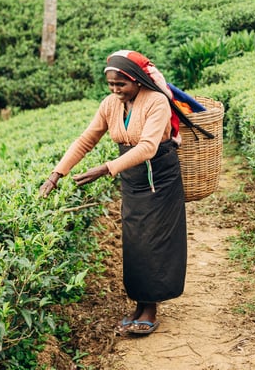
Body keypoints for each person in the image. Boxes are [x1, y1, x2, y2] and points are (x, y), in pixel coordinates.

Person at [40, 50, 199, 336]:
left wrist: (105, 168)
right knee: (135, 241)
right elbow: (87, 139)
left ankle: (150, 308)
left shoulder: (157, 102)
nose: (116, 90)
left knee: (155, 241)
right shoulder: (110, 104)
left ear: (137, 80)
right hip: (132, 178)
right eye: (111, 85)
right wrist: (57, 174)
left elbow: (148, 147)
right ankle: (139, 304)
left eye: (121, 84)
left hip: (159, 178)